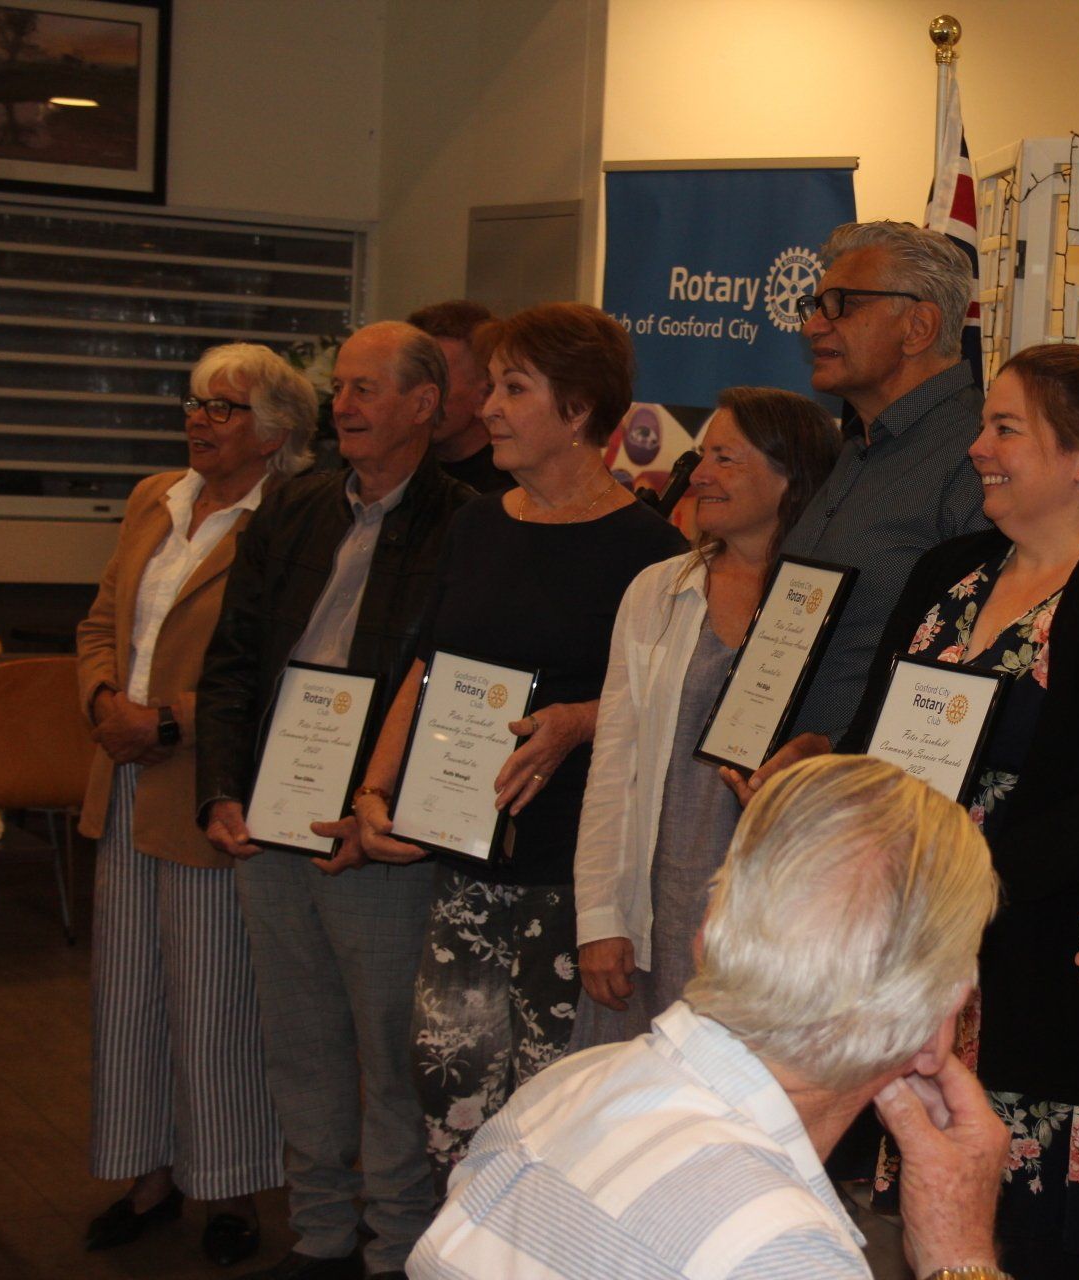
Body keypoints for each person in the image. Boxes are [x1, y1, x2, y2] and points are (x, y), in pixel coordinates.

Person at [840, 342, 1079, 1278]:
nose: (977, 448)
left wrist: (980, 874)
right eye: (984, 426)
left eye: (1006, 428)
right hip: (916, 969)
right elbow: (873, 733)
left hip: (1041, 988)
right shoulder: (948, 575)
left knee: (1021, 1251)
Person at [409, 755, 1014, 1280]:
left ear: (704, 936)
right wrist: (957, 1251)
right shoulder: (779, 1249)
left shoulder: (564, 1087)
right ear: (940, 1026)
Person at [328, 303, 687, 1178]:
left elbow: (672, 704)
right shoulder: (479, 522)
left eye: (512, 388)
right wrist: (373, 794)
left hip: (572, 880)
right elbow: (425, 667)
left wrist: (579, 721)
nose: (484, 406)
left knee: (553, 1116)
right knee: (448, 1089)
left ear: (577, 412)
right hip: (463, 870)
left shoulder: (651, 550)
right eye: (489, 385)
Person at [194, 320, 476, 1280]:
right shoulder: (296, 506)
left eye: (364, 389)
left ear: (424, 406)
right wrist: (220, 790)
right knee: (299, 1041)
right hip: (271, 816)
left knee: (390, 1057)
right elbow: (231, 660)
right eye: (339, 389)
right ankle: (318, 1237)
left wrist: (384, 800)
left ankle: (394, 1248)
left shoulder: (467, 520)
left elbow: (454, 682)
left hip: (374, 828)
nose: (341, 407)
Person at [74, 344, 315, 1266]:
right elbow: (103, 618)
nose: (199, 420)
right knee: (126, 994)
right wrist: (103, 704)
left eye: (223, 407)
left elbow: (276, 666)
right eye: (196, 402)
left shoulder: (288, 520)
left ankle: (232, 1191)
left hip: (205, 784)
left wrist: (165, 725)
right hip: (123, 773)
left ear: (275, 433)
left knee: (214, 1002)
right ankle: (147, 1175)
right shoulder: (155, 498)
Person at [572, 386, 840, 1045]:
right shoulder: (658, 591)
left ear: (790, 476)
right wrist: (600, 917)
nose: (701, 475)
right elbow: (615, 761)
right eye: (702, 455)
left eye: (728, 458)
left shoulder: (835, 601)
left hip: (780, 925)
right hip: (660, 919)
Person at [744, 221, 989, 776]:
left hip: (876, 804)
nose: (812, 326)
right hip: (793, 791)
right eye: (815, 304)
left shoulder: (979, 453)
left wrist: (838, 751)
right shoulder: (859, 447)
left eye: (841, 305)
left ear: (918, 325)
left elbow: (969, 664)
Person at [407, 299, 508, 493]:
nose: (417, 394)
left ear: (487, 393)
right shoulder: (394, 474)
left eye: (435, 377)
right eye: (410, 377)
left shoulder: (517, 486)